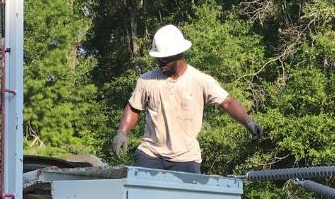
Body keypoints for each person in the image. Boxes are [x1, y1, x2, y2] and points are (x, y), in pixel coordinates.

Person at [110, 24, 262, 173]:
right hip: (150, 154)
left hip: (186, 158)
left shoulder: (200, 80)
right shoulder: (146, 80)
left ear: (179, 55)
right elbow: (133, 107)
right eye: (158, 59)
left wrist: (248, 121)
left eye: (165, 59)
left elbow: (227, 102)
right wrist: (122, 132)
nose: (160, 63)